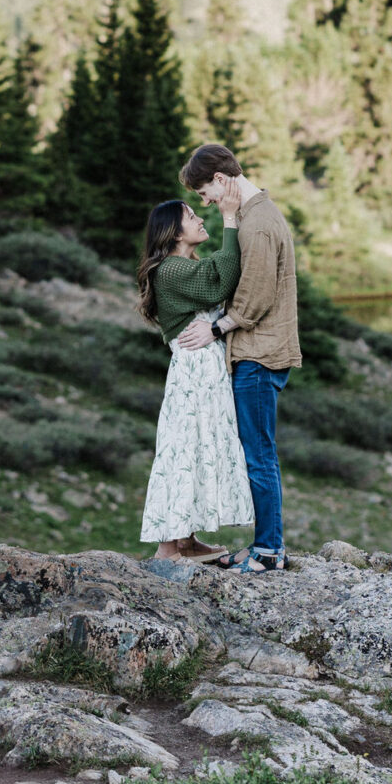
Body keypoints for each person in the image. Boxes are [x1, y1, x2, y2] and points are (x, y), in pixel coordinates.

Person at [181, 141, 300, 572]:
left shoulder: (258, 224)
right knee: (257, 451)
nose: (206, 203)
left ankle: (269, 551)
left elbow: (255, 297)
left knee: (259, 455)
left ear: (219, 179)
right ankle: (265, 545)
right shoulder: (254, 216)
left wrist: (215, 328)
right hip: (258, 353)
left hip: (258, 355)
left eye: (204, 193)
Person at [135, 176, 255, 563]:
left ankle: (184, 540)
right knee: (185, 449)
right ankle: (170, 546)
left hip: (203, 373)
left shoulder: (182, 265)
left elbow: (213, 276)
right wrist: (231, 220)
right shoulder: (170, 270)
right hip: (193, 376)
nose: (200, 219)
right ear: (173, 232)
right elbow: (217, 281)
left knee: (196, 448)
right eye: (191, 216)